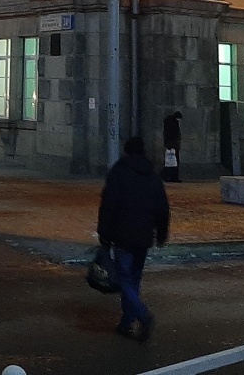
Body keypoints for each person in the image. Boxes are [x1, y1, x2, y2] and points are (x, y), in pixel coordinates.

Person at [97, 136, 170, 343]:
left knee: (124, 278)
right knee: (134, 278)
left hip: (123, 236)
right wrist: (162, 233)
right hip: (144, 236)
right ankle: (126, 321)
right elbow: (162, 208)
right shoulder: (152, 175)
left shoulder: (118, 172)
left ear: (127, 151)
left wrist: (104, 234)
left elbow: (108, 205)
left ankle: (142, 315)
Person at [162, 111, 183, 182]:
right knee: (174, 162)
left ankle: (167, 176)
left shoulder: (167, 123)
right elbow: (175, 135)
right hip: (173, 145)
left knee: (168, 162)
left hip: (169, 145)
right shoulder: (174, 124)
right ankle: (173, 177)